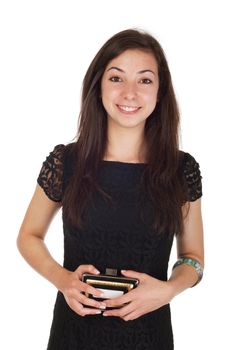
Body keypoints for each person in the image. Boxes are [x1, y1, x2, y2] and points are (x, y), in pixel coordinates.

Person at [17, 28, 204, 350]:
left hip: (149, 335)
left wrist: (169, 289)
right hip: (73, 334)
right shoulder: (67, 161)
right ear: (99, 86)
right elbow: (28, 236)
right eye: (116, 78)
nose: (130, 93)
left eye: (144, 80)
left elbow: (193, 257)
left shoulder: (180, 168)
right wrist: (62, 279)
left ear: (160, 92)